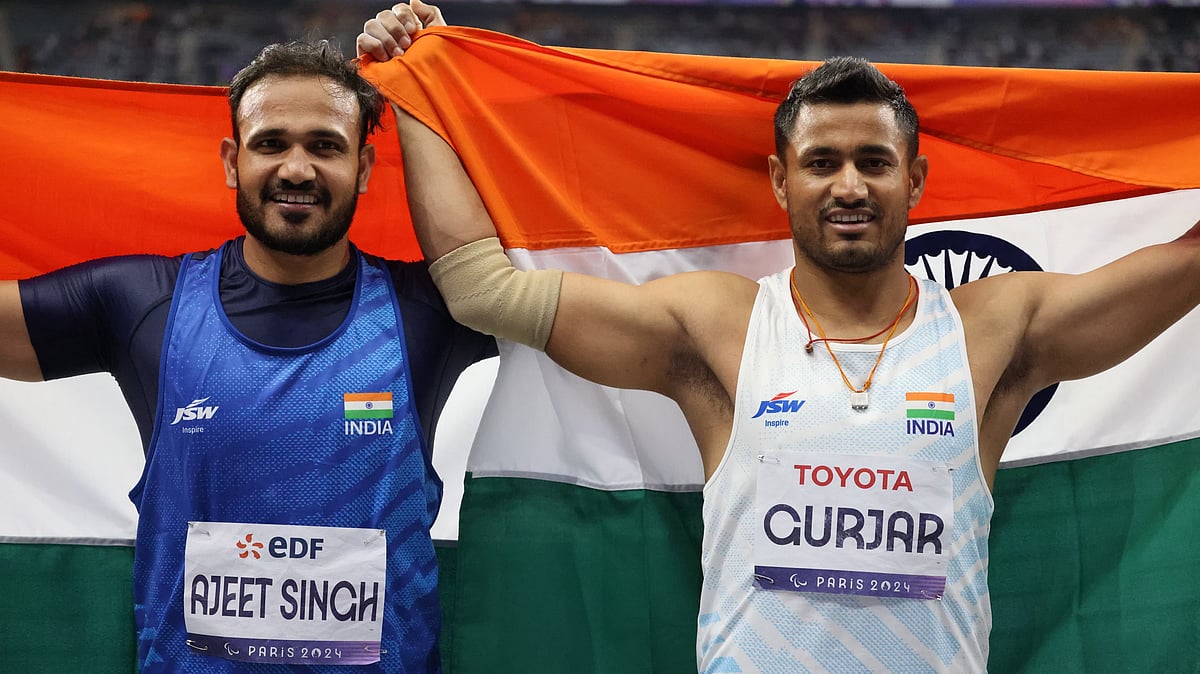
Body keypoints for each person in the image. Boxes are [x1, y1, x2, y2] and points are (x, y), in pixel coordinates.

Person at [359, 7, 1200, 673]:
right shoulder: (719, 329)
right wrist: (415, 92)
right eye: (822, 161)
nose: (849, 185)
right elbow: (481, 290)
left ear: (914, 179)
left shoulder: (995, 330)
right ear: (779, 179)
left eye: (874, 161)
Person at [0, 39, 494, 672]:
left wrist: (432, 78)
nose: (295, 169)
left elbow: (522, 251)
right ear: (233, 161)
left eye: (325, 145)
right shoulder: (141, 302)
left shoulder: (432, 309)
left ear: (366, 169)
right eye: (271, 143)